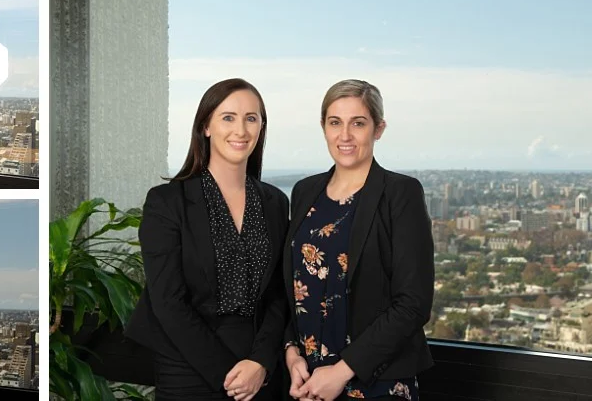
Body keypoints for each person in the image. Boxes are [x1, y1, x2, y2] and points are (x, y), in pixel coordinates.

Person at [124, 78, 289, 400]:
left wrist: (261, 362)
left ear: (261, 128)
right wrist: (229, 374)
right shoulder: (167, 201)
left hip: (260, 366)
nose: (240, 130)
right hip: (188, 365)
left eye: (251, 118)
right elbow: (168, 302)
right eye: (228, 117)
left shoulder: (275, 202)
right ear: (206, 126)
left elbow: (279, 293)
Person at [282, 79, 434, 401]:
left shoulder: (400, 194)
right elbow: (294, 285)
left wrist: (341, 372)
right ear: (323, 127)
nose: (345, 135)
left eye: (358, 123)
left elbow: (413, 304)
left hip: (375, 381)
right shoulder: (304, 192)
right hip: (308, 382)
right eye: (335, 122)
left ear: (378, 129)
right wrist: (291, 353)